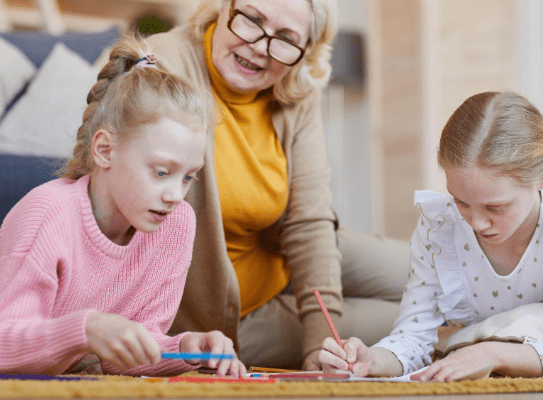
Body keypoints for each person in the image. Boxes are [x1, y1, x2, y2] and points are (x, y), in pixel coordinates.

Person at [147, 0, 410, 370]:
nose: (259, 47)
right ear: (224, 7)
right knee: (413, 321)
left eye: (286, 39)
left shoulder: (293, 82)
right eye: (252, 20)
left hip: (280, 252)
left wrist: (320, 341)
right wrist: (321, 350)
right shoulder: (160, 71)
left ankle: (510, 326)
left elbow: (309, 222)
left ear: (306, 51)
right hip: (232, 315)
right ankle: (487, 337)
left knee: (439, 270)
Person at [0, 34, 245, 378]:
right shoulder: (47, 214)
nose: (176, 194)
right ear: (105, 150)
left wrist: (186, 349)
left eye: (188, 177)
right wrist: (86, 330)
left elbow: (124, 358)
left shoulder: (175, 223)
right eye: (161, 172)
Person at [319, 91, 543, 380]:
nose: (476, 222)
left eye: (495, 207)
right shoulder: (441, 225)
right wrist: (369, 361)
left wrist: (492, 353)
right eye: (461, 201)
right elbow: (413, 337)